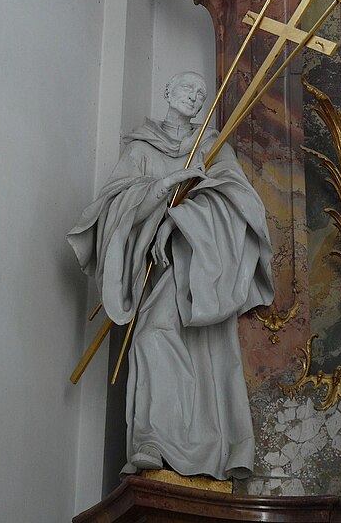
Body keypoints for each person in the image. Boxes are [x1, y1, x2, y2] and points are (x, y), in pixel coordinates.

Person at [68, 71, 274, 480]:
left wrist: (179, 220)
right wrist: (163, 187)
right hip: (155, 273)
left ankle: (214, 448)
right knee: (149, 340)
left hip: (201, 274)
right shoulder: (141, 148)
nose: (194, 97)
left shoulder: (214, 147)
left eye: (201, 94)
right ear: (166, 90)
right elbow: (113, 208)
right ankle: (152, 441)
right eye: (186, 88)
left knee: (209, 360)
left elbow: (243, 206)